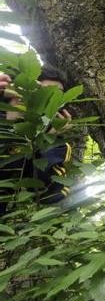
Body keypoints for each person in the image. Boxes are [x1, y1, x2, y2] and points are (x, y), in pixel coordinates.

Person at [0, 68, 73, 215]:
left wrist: (47, 140)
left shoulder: (44, 143)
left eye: (55, 98)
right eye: (41, 91)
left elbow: (49, 194)